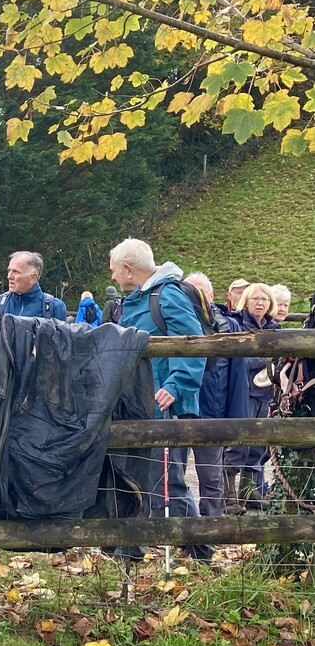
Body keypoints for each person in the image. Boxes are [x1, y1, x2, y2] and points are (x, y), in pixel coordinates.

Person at [109, 238, 207, 560]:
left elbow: (194, 342)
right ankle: (129, 551)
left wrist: (176, 385)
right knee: (135, 478)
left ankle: (202, 550)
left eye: (113, 271)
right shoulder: (132, 301)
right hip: (137, 407)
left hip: (165, 407)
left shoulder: (167, 296)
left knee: (169, 484)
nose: (112, 278)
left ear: (127, 269)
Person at [183, 272, 249, 517]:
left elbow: (237, 377)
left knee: (211, 478)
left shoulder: (229, 326)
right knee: (171, 475)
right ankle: (178, 525)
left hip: (211, 413)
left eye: (202, 292)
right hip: (178, 411)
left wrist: (235, 420)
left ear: (211, 296)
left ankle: (212, 529)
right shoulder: (173, 323)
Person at [231, 282, 281, 508]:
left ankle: (249, 492)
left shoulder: (275, 328)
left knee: (260, 442)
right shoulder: (238, 324)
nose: (260, 303)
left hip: (267, 392)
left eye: (264, 299)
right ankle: (229, 495)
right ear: (246, 301)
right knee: (239, 441)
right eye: (255, 299)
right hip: (245, 392)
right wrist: (266, 357)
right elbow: (241, 359)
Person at [0, 251, 67, 320]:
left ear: (33, 278)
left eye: (15, 272)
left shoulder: (54, 307)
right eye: (9, 271)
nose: (9, 276)